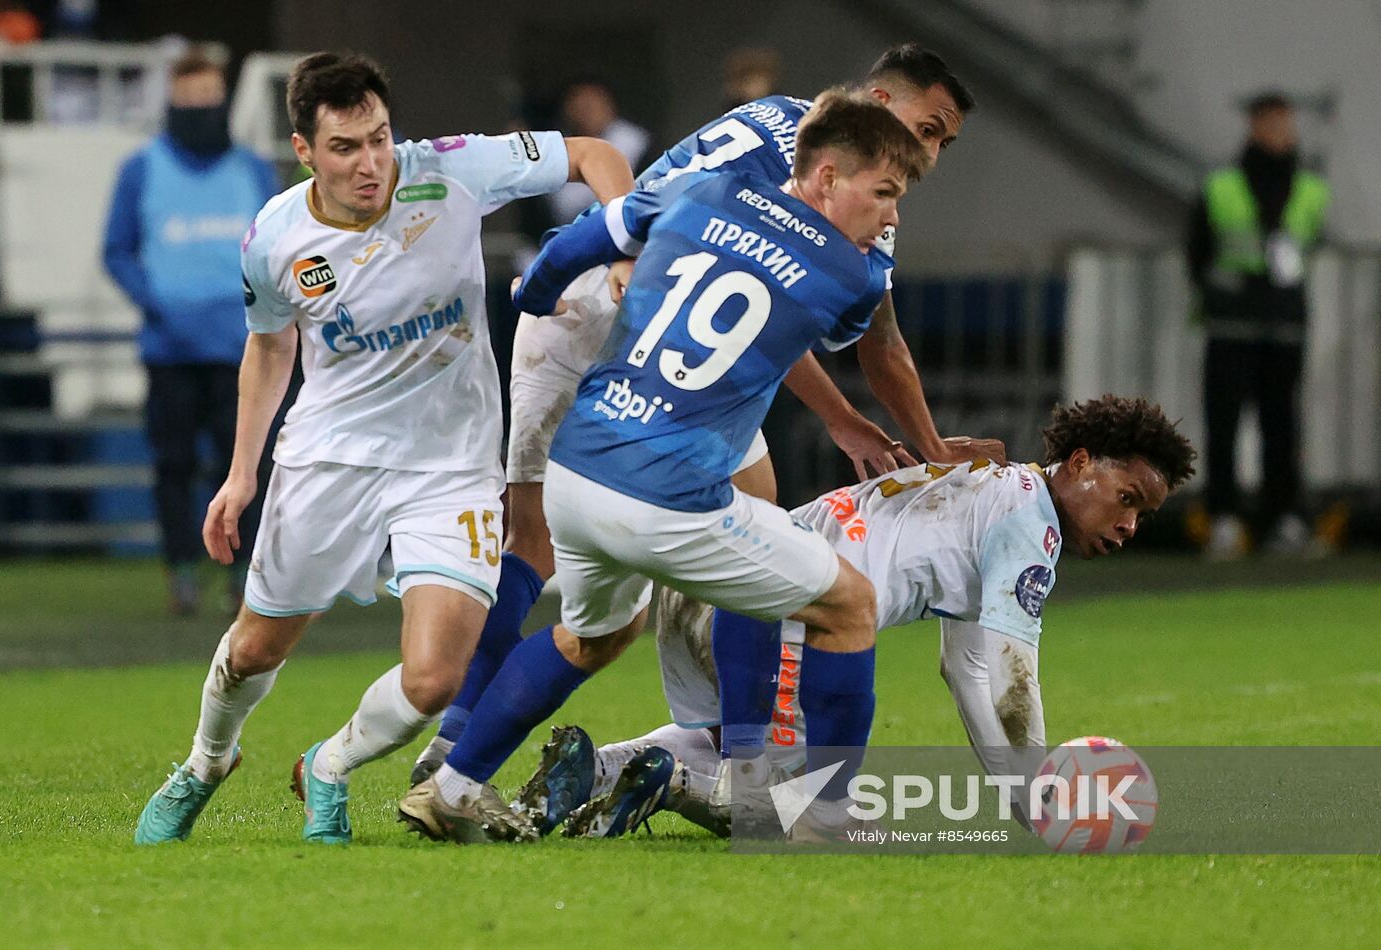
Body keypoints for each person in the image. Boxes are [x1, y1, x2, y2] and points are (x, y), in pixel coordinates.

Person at [410, 42, 1004, 786]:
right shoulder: (852, 182)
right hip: (665, 324)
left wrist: (542, 289)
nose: (934, 153)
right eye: (931, 127)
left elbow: (689, 254)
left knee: (534, 545)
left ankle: (452, 749)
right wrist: (909, 438)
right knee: (759, 530)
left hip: (587, 292)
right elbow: (850, 332)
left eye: (945, 142)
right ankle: (745, 760)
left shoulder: (768, 122)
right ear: (880, 106)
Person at [132, 50, 633, 845]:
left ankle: (327, 766)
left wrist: (626, 239)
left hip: (453, 468)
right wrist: (238, 475)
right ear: (304, 152)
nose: (372, 164)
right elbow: (270, 350)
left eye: (379, 138)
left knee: (435, 680)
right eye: (345, 148)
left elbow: (591, 154)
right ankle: (205, 762)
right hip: (328, 461)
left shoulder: (452, 170)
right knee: (257, 648)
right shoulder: (273, 238)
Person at [510, 395, 1196, 838]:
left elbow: (966, 666)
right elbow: (1014, 680)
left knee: (731, 743)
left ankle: (595, 770)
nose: (1130, 524)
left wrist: (1019, 794)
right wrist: (1043, 793)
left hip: (710, 590)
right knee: (807, 817)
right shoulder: (1031, 523)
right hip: (778, 610)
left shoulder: (992, 491)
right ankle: (675, 786)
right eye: (1127, 497)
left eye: (1143, 513)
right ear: (1078, 463)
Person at [103, 50, 280, 615]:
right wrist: (158, 306)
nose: (202, 108)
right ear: (172, 102)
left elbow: (282, 247)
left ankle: (241, 576)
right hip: (170, 351)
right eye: (191, 98)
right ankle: (181, 570)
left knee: (245, 465)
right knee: (173, 467)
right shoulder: (141, 170)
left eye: (211, 97)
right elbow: (117, 251)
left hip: (244, 350)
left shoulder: (254, 170)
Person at [1186, 91, 1329, 559]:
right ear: (1253, 127)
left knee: (1283, 426)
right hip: (1231, 325)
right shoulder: (1222, 184)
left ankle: (1282, 520)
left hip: (1284, 326)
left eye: (1284, 123)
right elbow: (1198, 251)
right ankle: (1225, 518)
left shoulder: (1311, 187)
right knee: (1224, 426)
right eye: (1270, 122)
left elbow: (1310, 246)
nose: (1279, 132)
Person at [548, 80, 650, 225]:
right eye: (579, 107)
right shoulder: (558, 147)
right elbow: (563, 205)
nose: (586, 114)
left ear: (609, 105)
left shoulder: (636, 142)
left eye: (591, 106)